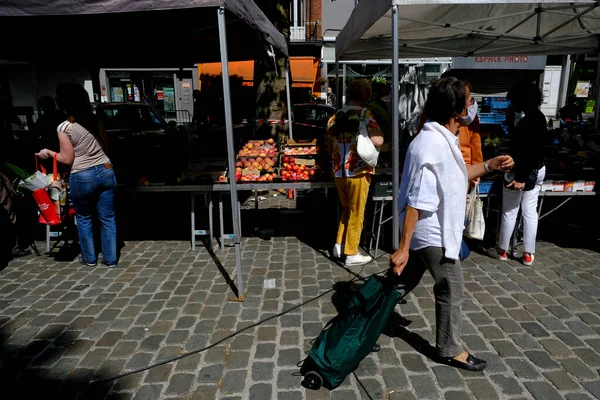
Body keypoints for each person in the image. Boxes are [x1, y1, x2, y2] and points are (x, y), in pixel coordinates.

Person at [389, 77, 514, 371]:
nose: (472, 105)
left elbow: (454, 175)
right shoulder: (432, 143)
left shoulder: (439, 137)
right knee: (452, 288)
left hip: (427, 231)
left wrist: (488, 165)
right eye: (468, 101)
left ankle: (365, 313)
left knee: (399, 284)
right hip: (431, 233)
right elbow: (417, 200)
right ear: (456, 110)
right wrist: (404, 247)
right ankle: (449, 348)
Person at [36, 83, 117, 268]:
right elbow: (105, 145)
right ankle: (111, 259)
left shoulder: (64, 127)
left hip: (82, 173)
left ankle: (90, 258)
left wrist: (48, 152)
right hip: (105, 170)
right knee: (107, 217)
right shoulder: (95, 120)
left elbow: (66, 158)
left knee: (84, 217)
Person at [487, 81, 548, 266]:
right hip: (537, 170)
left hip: (523, 171)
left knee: (510, 211)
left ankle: (502, 250)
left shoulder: (528, 121)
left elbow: (526, 151)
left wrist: (521, 178)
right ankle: (528, 253)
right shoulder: (539, 117)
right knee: (530, 211)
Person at [327, 79, 384, 267]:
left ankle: (339, 244)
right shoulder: (364, 114)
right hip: (358, 169)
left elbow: (329, 144)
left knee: (346, 209)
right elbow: (378, 141)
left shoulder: (334, 117)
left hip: (338, 172)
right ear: (365, 95)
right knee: (357, 212)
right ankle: (351, 252)